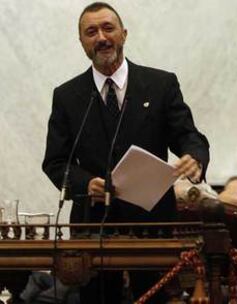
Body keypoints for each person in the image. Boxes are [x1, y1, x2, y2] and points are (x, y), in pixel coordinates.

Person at [42, 2, 209, 304]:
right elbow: (55, 162)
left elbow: (188, 136)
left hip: (151, 223)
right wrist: (84, 183)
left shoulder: (160, 84)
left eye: (108, 28)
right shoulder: (67, 96)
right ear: (82, 43)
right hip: (92, 228)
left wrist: (195, 157)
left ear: (124, 33)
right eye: (91, 32)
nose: (101, 37)